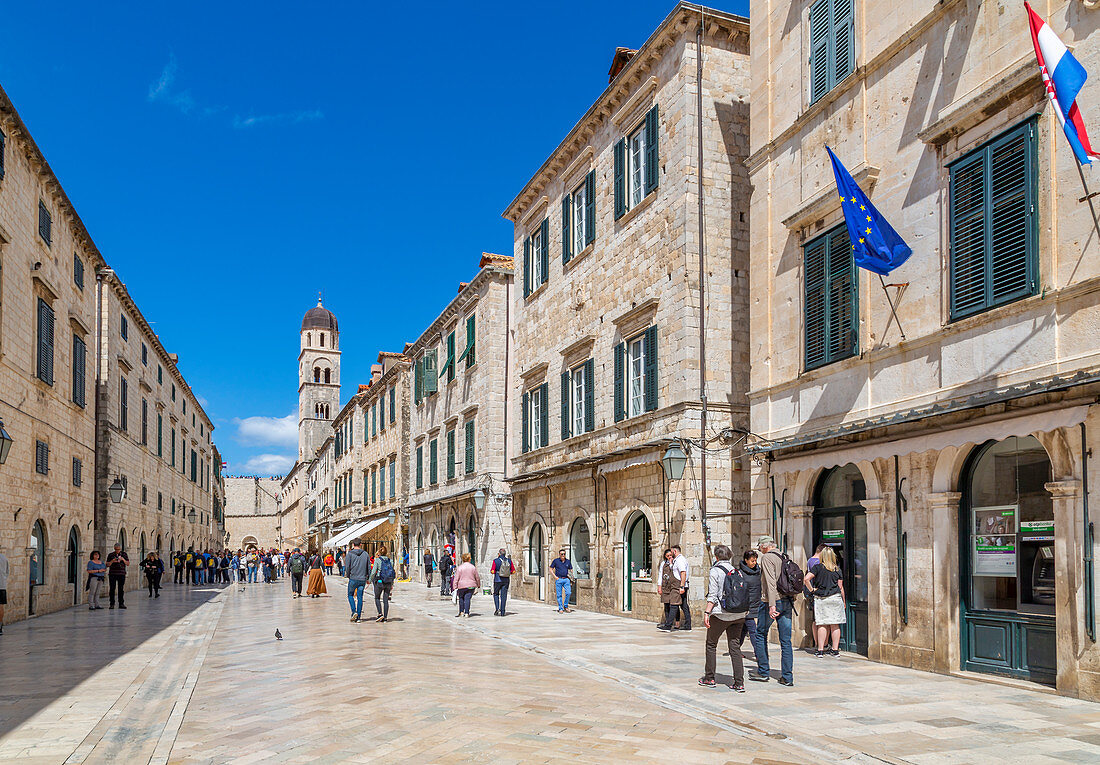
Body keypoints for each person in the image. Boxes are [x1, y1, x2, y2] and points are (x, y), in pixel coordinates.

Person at [699, 544, 749, 691]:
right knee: (734, 647)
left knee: (711, 644)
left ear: (716, 557)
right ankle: (739, 682)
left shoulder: (715, 571)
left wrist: (707, 612)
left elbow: (713, 595)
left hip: (721, 614)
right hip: (738, 614)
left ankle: (709, 678)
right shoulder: (737, 571)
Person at [750, 536, 795, 686]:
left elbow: (770, 583)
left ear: (764, 546)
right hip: (787, 600)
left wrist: (771, 605)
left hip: (772, 601)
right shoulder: (784, 556)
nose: (759, 550)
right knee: (786, 641)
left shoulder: (767, 558)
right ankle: (787, 677)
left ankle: (763, 671)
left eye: (760, 547)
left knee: (760, 634)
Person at [804, 546, 845, 657]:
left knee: (822, 624)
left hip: (821, 598)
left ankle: (820, 650)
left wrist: (812, 590)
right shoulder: (837, 569)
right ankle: (835, 651)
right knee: (835, 624)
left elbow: (806, 579)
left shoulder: (817, 568)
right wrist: (844, 601)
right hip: (835, 598)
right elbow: (840, 587)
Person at [739, 549, 762, 650]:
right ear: (746, 560)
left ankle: (735, 649)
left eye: (755, 560)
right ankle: (759, 654)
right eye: (752, 560)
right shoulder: (740, 574)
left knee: (744, 630)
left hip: (756, 604)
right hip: (746, 606)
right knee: (753, 630)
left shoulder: (758, 571)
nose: (754, 563)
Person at [344, 539, 370, 621]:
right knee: (360, 597)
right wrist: (368, 578)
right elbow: (368, 567)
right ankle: (358, 617)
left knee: (350, 595)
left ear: (353, 545)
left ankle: (354, 611)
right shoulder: (365, 554)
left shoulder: (350, 554)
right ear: (361, 544)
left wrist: (348, 575)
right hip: (362, 579)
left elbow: (347, 567)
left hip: (353, 578)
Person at [369, 545, 397, 622]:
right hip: (388, 582)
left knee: (377, 598)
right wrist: (392, 583)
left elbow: (373, 572)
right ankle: (385, 617)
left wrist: (370, 580)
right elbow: (392, 572)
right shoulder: (390, 561)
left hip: (380, 581)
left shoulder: (377, 560)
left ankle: (380, 614)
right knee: (385, 600)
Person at [657, 548, 681, 631]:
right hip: (666, 586)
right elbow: (660, 575)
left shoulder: (675, 562)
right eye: (667, 556)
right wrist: (659, 586)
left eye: (670, 555)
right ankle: (667, 622)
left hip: (674, 586)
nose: (669, 557)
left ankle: (677, 623)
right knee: (666, 605)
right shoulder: (663, 563)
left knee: (674, 605)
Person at [452, 553, 480, 618]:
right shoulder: (472, 567)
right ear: (469, 559)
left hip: (461, 586)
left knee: (461, 598)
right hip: (471, 586)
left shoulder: (460, 568)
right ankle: (467, 612)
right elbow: (477, 577)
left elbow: (456, 578)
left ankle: (461, 612)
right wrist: (478, 584)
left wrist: (454, 586)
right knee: (467, 599)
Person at [671, 544, 691, 630]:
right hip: (681, 585)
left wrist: (682, 586)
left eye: (672, 552)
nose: (671, 553)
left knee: (682, 605)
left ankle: (687, 624)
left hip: (681, 586)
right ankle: (686, 624)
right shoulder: (677, 560)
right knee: (683, 605)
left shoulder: (680, 560)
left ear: (675, 551)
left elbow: (683, 573)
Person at [490, 548, 514, 616]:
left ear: (499, 554)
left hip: (497, 579)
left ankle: (497, 609)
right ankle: (503, 611)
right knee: (504, 595)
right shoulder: (509, 561)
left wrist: (496, 572)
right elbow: (513, 571)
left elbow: (492, 571)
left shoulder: (496, 561)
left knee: (496, 594)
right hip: (506, 580)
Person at [106, 543, 130, 609]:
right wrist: (112, 561)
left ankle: (121, 603)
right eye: (116, 549)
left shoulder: (124, 554)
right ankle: (112, 604)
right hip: (112, 574)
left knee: (121, 589)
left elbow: (128, 563)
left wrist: (123, 559)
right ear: (114, 548)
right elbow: (107, 564)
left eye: (118, 549)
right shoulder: (111, 555)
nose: (117, 551)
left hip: (121, 574)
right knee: (112, 589)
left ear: (120, 549)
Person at [550, 549, 573, 613]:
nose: (563, 555)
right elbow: (550, 569)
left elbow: (571, 569)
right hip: (559, 579)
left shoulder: (568, 561)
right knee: (559, 595)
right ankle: (560, 608)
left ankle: (565, 606)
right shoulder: (556, 561)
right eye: (562, 554)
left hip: (566, 579)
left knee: (568, 592)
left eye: (564, 554)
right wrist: (555, 577)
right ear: (559, 554)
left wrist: (571, 578)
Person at [0, 548, 7, 632]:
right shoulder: (4, 558)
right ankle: (0, 627)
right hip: (2, 585)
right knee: (1, 605)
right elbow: (7, 572)